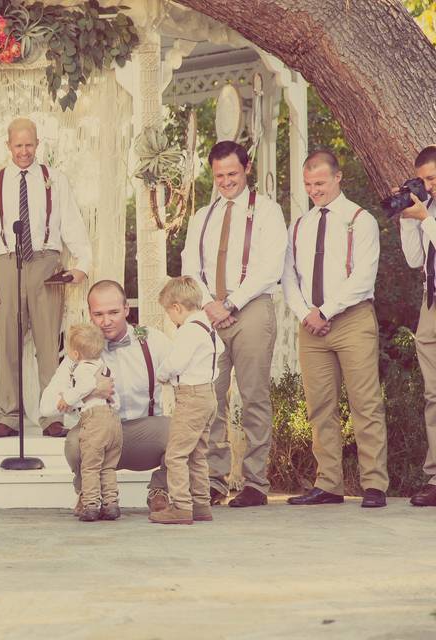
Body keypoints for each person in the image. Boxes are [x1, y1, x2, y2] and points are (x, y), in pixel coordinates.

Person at [180, 140, 286, 508]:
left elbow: (271, 266)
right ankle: (213, 478)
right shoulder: (202, 216)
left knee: (253, 396)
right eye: (220, 175)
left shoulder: (268, 212)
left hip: (251, 308)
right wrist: (208, 303)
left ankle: (256, 482)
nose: (226, 181)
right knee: (210, 397)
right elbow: (189, 265)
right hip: (210, 313)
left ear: (247, 169)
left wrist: (232, 302)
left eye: (232, 174)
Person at [0, 117, 92, 438]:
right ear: (8, 145)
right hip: (7, 263)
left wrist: (83, 262)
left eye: (29, 145)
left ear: (37, 144)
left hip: (46, 263)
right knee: (8, 343)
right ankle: (8, 416)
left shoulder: (55, 179)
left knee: (47, 343)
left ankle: (52, 415)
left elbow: (72, 224)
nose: (24, 151)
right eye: (18, 145)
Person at [283, 149, 388, 508]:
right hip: (311, 326)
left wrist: (326, 311)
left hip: (352, 320)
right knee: (319, 406)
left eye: (321, 183)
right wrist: (306, 314)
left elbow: (363, 276)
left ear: (337, 177)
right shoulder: (299, 225)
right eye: (309, 184)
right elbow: (289, 278)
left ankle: (374, 484)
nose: (314, 190)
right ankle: (328, 484)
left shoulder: (361, 220)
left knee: (365, 401)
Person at [40, 280, 172, 515]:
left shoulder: (153, 341)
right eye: (98, 314)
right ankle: (89, 494)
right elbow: (46, 406)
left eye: (113, 312)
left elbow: (187, 377)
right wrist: (87, 392)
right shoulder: (79, 351)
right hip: (98, 437)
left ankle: (161, 489)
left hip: (142, 435)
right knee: (73, 442)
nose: (106, 321)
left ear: (126, 310)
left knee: (182, 430)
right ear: (89, 313)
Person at [149, 276, 221, 525]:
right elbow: (219, 351)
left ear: (177, 307)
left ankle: (181, 506)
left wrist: (162, 373)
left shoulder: (188, 330)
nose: (171, 319)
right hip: (208, 394)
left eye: (170, 313)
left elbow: (176, 361)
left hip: (191, 397)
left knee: (176, 455)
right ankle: (201, 504)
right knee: (198, 453)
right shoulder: (208, 327)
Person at [48, 323, 121, 522]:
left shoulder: (82, 369)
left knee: (90, 467)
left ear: (76, 354)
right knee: (108, 467)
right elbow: (116, 397)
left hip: (95, 420)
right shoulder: (106, 368)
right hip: (112, 419)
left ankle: (91, 505)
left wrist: (67, 399)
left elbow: (86, 386)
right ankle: (111, 504)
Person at [398, 145, 436, 507]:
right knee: (433, 395)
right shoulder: (427, 211)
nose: (429, 186)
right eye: (423, 180)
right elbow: (413, 260)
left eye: (433, 179)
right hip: (431, 305)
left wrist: (426, 219)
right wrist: (408, 220)